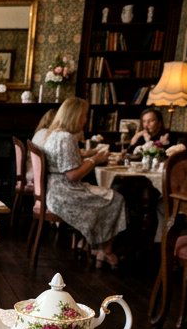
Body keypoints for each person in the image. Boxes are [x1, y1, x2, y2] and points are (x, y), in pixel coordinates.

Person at [42, 97, 127, 267]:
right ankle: (105, 250)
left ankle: (95, 245)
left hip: (56, 191)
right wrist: (95, 159)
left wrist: (89, 154)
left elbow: (67, 159)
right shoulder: (66, 138)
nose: (85, 120)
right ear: (74, 116)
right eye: (84, 116)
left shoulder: (54, 134)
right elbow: (73, 175)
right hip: (65, 195)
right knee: (116, 198)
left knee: (107, 194)